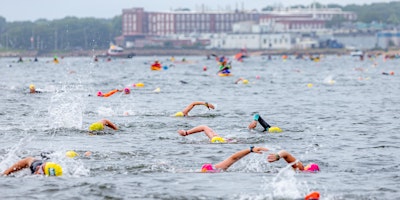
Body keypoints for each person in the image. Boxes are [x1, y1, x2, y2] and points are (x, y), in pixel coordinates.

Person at [201, 146, 268, 172]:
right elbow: (233, 158)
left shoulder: (213, 169)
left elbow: (233, 158)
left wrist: (251, 150)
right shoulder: (213, 170)